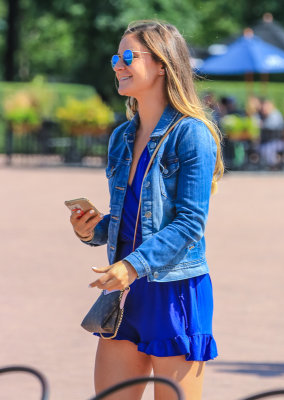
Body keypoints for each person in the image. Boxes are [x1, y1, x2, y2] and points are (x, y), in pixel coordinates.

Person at [69, 20, 224, 400]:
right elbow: (131, 219)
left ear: (161, 64)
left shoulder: (193, 133)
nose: (118, 65)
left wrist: (132, 266)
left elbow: (189, 223)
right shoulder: (122, 137)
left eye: (128, 57)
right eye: (115, 58)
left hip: (174, 291)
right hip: (125, 293)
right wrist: (92, 228)